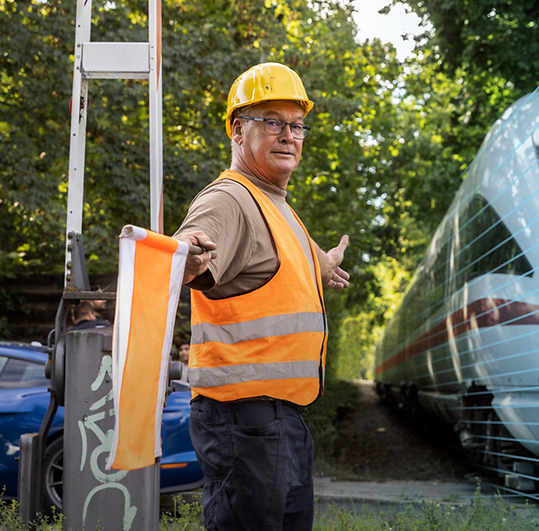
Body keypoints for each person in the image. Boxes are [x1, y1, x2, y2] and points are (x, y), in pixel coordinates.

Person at [173, 62, 350, 531]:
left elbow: (283, 270)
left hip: (278, 422)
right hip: (243, 422)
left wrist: (324, 268)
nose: (288, 135)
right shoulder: (229, 199)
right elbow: (195, 244)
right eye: (272, 121)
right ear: (237, 130)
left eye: (296, 125)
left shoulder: (276, 205)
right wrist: (190, 259)